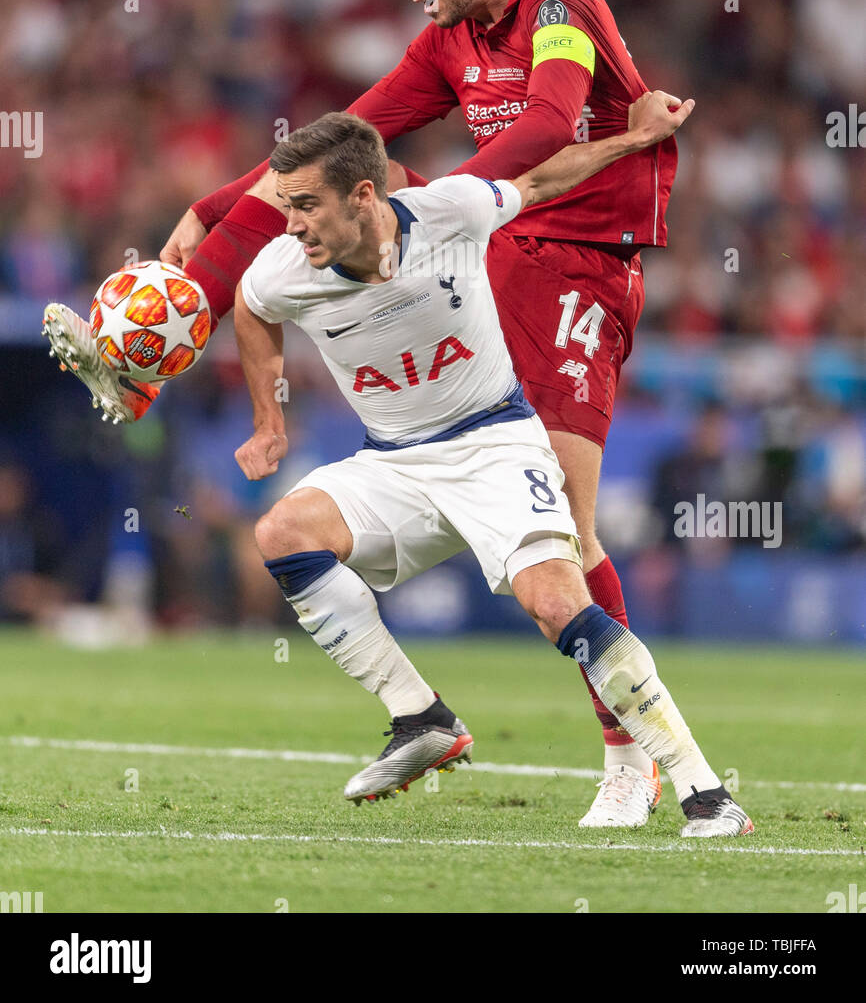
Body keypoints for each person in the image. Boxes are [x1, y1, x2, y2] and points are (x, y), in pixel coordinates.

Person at [44, 0, 683, 827]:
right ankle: (149, 360)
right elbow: (344, 140)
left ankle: (634, 757)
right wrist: (213, 205)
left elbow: (552, 121)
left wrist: (437, 209)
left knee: (571, 524)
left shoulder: (561, 4)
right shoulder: (449, 38)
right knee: (317, 203)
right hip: (501, 239)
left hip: (581, 258)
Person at [229, 109, 750, 838]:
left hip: (495, 446)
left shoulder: (452, 211)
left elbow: (537, 178)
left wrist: (633, 140)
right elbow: (250, 310)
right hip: (397, 463)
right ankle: (420, 717)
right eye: (287, 209)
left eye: (307, 206)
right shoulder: (284, 272)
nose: (293, 227)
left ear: (364, 197)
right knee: (284, 532)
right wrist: (268, 420)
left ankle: (706, 792)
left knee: (555, 605)